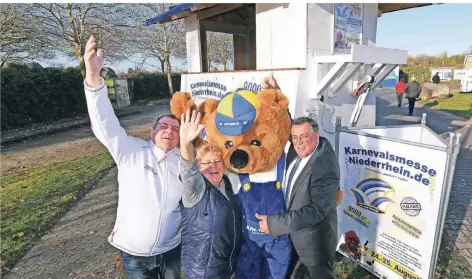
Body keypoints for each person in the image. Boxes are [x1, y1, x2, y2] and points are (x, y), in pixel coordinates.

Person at [84, 35, 183, 279]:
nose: (169, 131)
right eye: (163, 126)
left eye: (175, 128)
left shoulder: (186, 160)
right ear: (152, 132)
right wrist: (94, 79)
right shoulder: (130, 151)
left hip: (172, 251)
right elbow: (104, 123)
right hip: (135, 255)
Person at [257, 75, 340, 279]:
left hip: (314, 247)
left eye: (304, 137)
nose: (299, 143)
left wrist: (274, 224)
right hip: (294, 238)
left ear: (317, 135)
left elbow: (315, 212)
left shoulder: (323, 165)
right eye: (295, 138)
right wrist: (277, 94)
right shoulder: (299, 149)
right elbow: (290, 124)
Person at [178, 109, 242, 279]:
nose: (212, 166)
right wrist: (185, 143)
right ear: (199, 167)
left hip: (226, 267)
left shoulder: (229, 185)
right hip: (203, 272)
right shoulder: (196, 191)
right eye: (206, 162)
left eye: (216, 161)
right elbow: (188, 171)